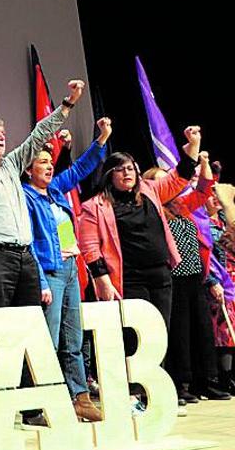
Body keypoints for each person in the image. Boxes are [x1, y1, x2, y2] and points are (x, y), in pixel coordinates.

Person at [0, 79, 85, 413]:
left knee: (30, 331)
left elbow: (38, 135)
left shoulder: (9, 166)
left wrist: (66, 106)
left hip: (23, 257)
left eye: (1, 133)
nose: (1, 138)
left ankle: (32, 404)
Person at [79, 126, 205, 391]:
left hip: (160, 275)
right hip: (127, 279)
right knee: (134, 337)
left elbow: (179, 177)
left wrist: (193, 146)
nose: (128, 173)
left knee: (159, 335)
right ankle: (133, 392)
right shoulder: (95, 206)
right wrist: (102, 280)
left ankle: (155, 392)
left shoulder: (149, 191)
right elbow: (90, 247)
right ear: (109, 175)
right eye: (121, 169)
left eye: (132, 168)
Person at [22, 118, 111, 423]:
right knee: (49, 339)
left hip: (72, 268)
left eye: (50, 162)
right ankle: (43, 403)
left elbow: (79, 170)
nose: (49, 166)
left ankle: (80, 398)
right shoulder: (25, 196)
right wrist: (41, 279)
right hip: (50, 270)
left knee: (73, 339)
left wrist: (101, 140)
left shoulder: (56, 192)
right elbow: (29, 242)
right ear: (28, 169)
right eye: (42, 162)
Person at [160, 152, 228, 401]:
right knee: (180, 332)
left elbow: (204, 189)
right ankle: (182, 384)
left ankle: (206, 380)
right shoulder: (157, 212)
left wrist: (205, 163)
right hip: (174, 279)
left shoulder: (182, 207)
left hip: (195, 278)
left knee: (203, 330)